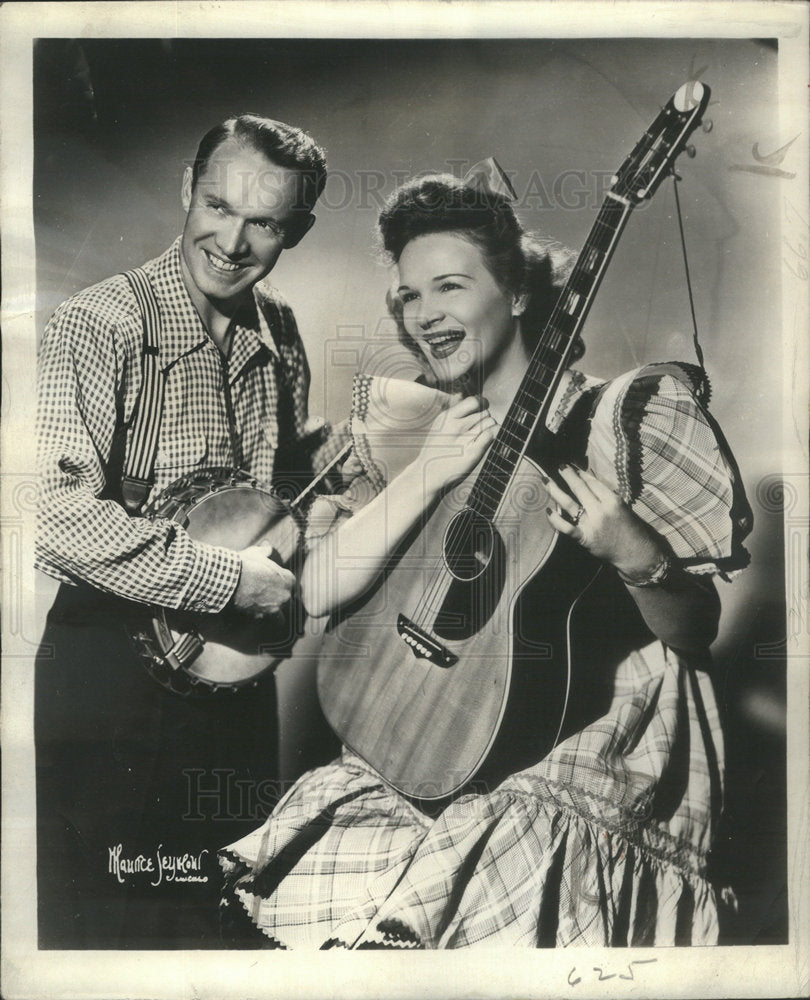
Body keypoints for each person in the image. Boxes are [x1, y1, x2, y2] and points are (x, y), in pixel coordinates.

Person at [218, 171, 752, 949]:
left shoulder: (623, 418)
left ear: (520, 293)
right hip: (418, 743)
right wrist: (431, 470)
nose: (423, 314)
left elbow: (696, 630)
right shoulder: (416, 428)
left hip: (575, 771)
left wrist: (635, 553)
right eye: (407, 295)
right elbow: (316, 592)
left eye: (449, 286)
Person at [35, 114, 336, 949]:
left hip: (235, 686)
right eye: (217, 204)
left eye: (264, 222)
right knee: (103, 921)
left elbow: (265, 493)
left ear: (296, 231)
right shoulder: (97, 325)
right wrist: (229, 580)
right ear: (186, 190)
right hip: (109, 683)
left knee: (225, 909)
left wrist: (330, 473)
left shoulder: (281, 332)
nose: (232, 240)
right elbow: (52, 520)